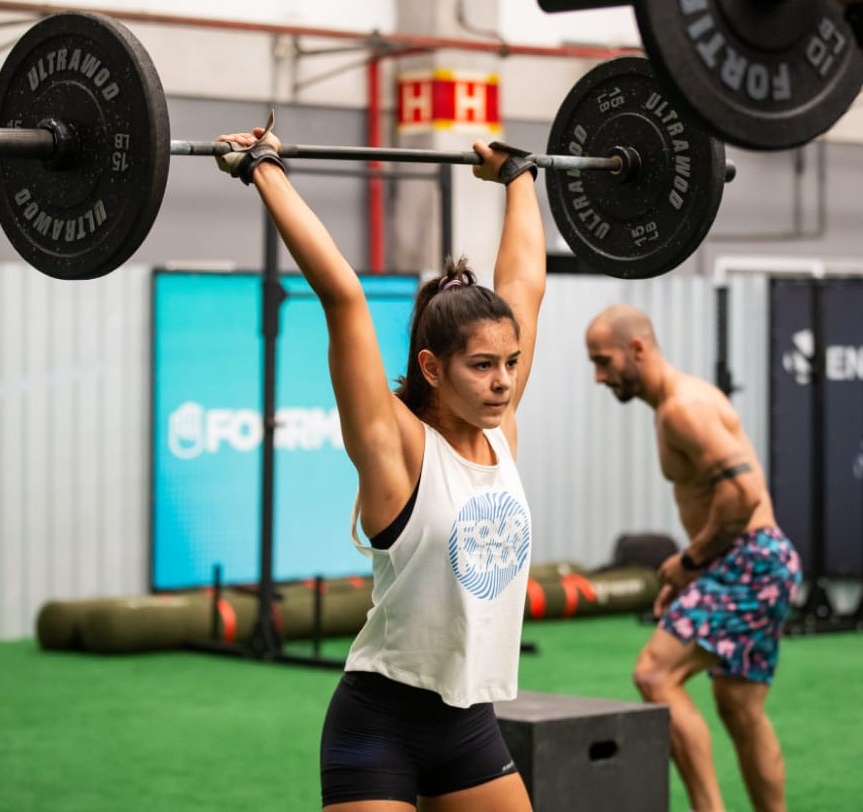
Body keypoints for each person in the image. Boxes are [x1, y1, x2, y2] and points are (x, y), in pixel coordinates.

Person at [215, 119, 546, 811]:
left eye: (509, 364)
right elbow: (343, 296)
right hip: (379, 726)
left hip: (468, 722)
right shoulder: (394, 449)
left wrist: (518, 180)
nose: (503, 382)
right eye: (481, 366)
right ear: (431, 367)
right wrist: (263, 170)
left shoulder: (500, 433)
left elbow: (524, 287)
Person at [584, 304, 803, 812]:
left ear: (637, 349)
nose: (598, 376)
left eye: (603, 361)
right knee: (740, 710)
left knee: (656, 675)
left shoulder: (683, 408)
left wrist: (690, 561)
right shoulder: (679, 403)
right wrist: (690, 576)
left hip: (749, 557)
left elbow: (744, 493)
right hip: (755, 558)